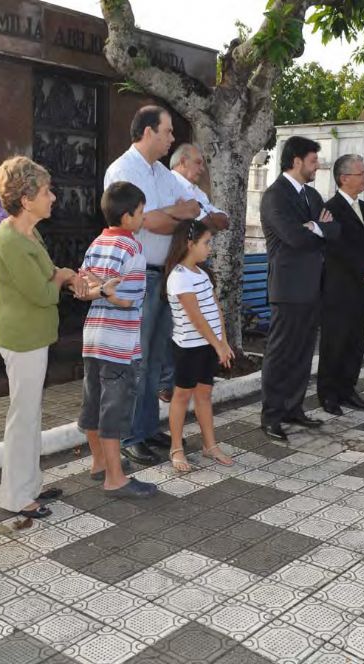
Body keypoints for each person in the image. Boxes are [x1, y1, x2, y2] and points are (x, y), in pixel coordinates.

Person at [103, 106, 201, 466]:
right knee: (137, 359)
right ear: (148, 132)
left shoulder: (161, 173)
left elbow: (189, 210)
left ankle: (146, 427)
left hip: (164, 273)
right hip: (136, 275)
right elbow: (145, 223)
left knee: (157, 359)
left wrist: (169, 214)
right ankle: (130, 435)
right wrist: (172, 215)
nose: (172, 138)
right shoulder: (123, 170)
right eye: (167, 131)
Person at [0, 156, 77, 519]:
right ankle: (16, 497)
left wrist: (64, 276)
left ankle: (30, 486)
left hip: (33, 336)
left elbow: (45, 273)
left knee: (30, 414)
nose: (53, 197)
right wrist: (63, 277)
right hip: (22, 339)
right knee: (23, 418)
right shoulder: (10, 239)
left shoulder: (27, 232)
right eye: (46, 192)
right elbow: (42, 292)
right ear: (26, 200)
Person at [76, 181, 158, 497]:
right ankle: (115, 479)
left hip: (93, 339)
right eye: (141, 212)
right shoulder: (133, 249)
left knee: (93, 403)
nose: (143, 217)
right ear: (127, 217)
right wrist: (111, 293)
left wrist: (100, 288)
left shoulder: (96, 243)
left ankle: (99, 463)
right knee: (113, 409)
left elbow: (81, 289)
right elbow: (130, 299)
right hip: (119, 344)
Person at [259, 136, 339, 442]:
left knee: (304, 352)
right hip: (287, 288)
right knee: (280, 353)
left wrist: (315, 227)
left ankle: (293, 408)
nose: (317, 166)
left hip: (313, 286)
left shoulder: (312, 195)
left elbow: (335, 230)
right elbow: (293, 237)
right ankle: (271, 415)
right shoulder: (275, 197)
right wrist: (319, 228)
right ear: (296, 161)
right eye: (313, 160)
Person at [158, 143, 231, 404]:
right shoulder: (171, 184)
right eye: (198, 162)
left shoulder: (197, 192)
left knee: (202, 312)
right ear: (181, 162)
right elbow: (192, 222)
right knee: (175, 322)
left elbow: (221, 219)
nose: (202, 168)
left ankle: (187, 374)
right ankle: (168, 381)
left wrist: (202, 216)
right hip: (177, 262)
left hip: (194, 263)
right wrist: (203, 218)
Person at [317, 154, 364, 416]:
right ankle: (328, 394)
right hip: (339, 290)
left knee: (356, 343)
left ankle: (348, 390)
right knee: (334, 343)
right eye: (361, 173)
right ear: (344, 178)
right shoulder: (330, 209)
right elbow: (338, 249)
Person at [164, 218, 234, 472]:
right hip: (189, 348)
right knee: (181, 396)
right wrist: (217, 345)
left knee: (204, 394)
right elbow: (196, 318)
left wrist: (223, 342)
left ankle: (210, 445)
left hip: (208, 346)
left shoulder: (201, 274)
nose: (209, 248)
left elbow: (215, 310)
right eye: (206, 243)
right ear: (189, 244)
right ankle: (176, 448)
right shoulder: (179, 277)